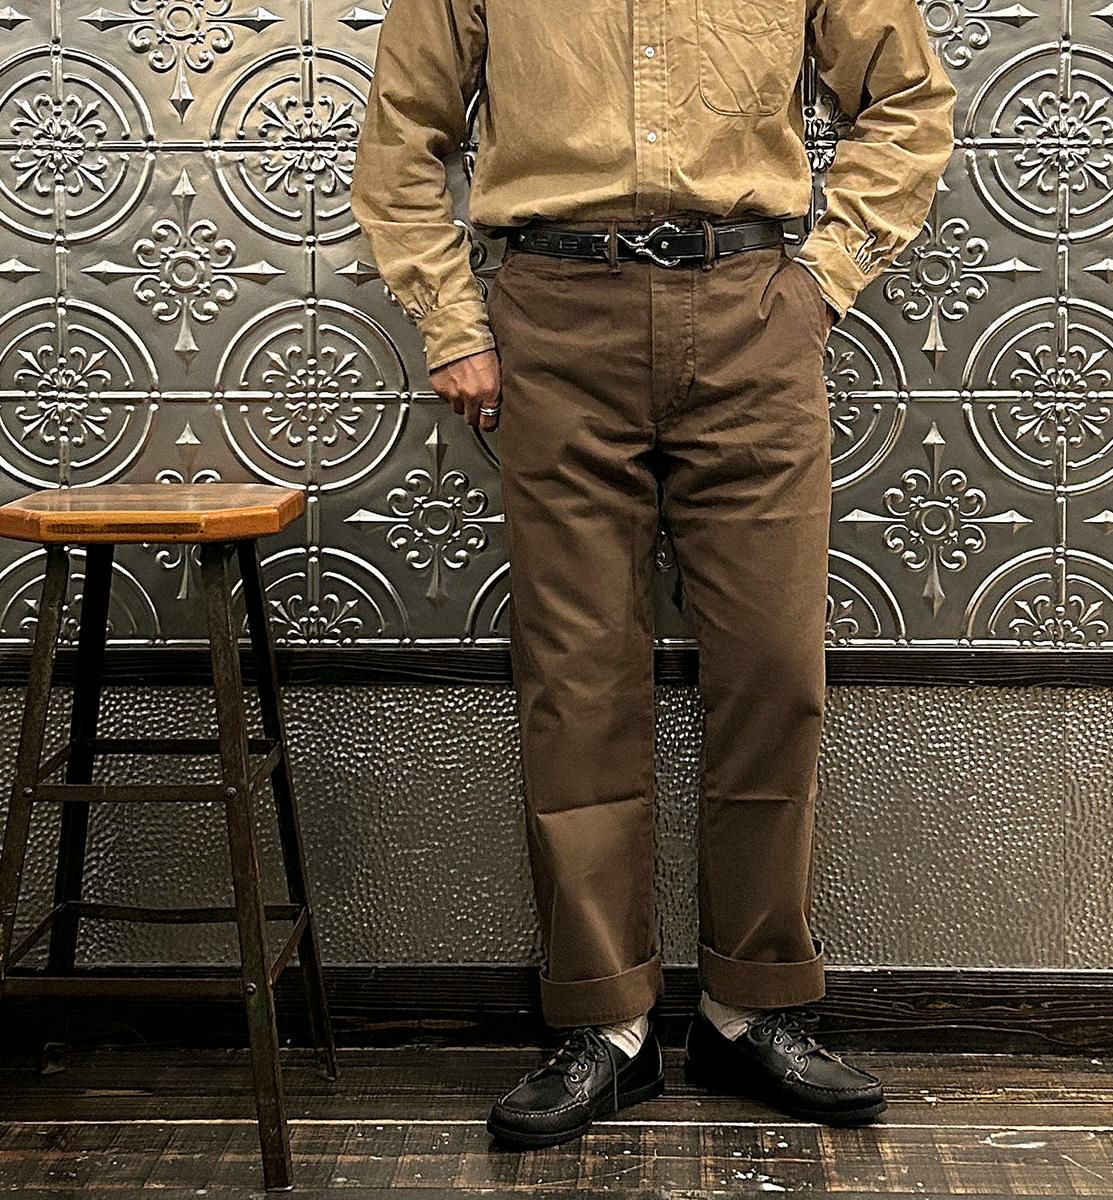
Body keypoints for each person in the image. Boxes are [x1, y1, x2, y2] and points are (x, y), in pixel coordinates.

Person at [350, 0, 956, 1150]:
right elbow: (403, 133)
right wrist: (451, 320)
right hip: (553, 316)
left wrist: (825, 277)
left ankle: (750, 1008)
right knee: (577, 680)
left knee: (774, 670)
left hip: (754, 312)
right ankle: (607, 1024)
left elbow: (909, 100)